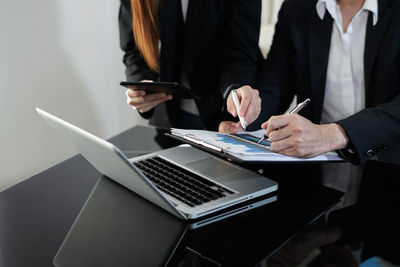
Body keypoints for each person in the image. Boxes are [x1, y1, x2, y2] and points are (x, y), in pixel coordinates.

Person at [221, 0, 400, 165]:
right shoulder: (297, 8)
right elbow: (274, 89)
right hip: (313, 166)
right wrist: (247, 116)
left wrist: (336, 134)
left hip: (387, 166)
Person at [119, 0, 262, 130]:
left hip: (222, 114)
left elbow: (239, 49)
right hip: (168, 113)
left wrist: (235, 90)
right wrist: (141, 85)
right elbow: (134, 48)